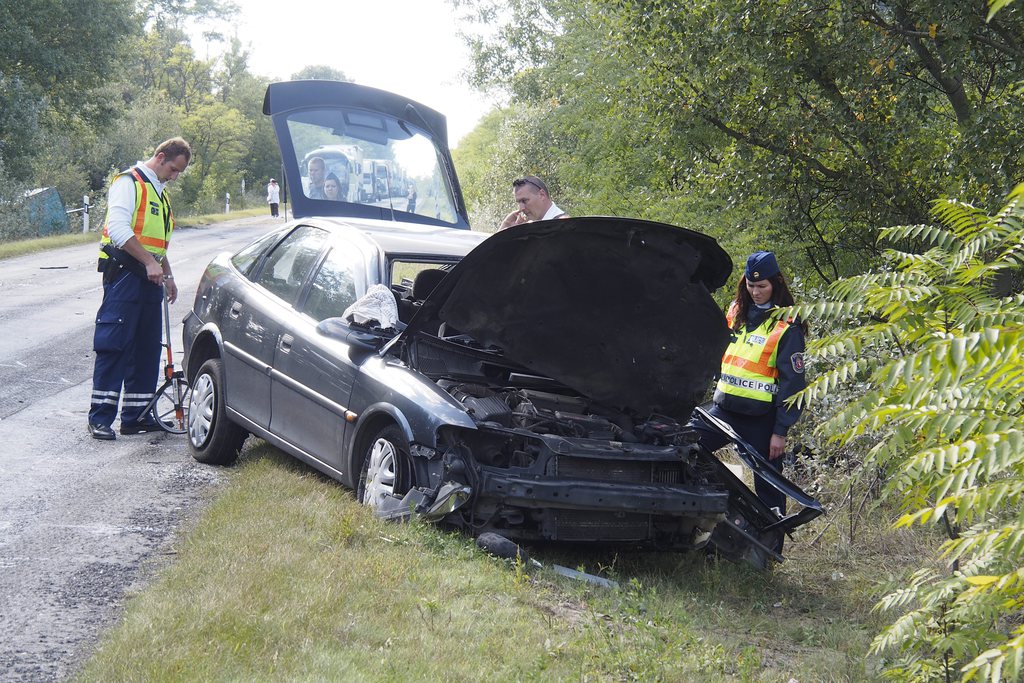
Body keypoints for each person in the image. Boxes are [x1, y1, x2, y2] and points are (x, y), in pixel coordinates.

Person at [689, 250, 807, 520]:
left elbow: (794, 384)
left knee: (769, 486)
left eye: (762, 286)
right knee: (687, 448)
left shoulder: (788, 325)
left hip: (761, 420)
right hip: (723, 409)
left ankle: (769, 550)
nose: (756, 292)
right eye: (751, 285)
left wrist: (780, 431)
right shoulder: (735, 312)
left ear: (775, 284)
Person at [88, 137, 192, 440]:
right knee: (115, 344)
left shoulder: (160, 193)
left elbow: (156, 242)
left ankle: (136, 416)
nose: (174, 177)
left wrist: (168, 274)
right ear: (160, 157)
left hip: (151, 279)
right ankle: (100, 418)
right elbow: (120, 231)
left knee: (147, 349)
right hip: (124, 275)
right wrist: (149, 263)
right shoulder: (128, 183)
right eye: (173, 169)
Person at [498, 175, 568, 230]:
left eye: (524, 201)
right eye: (518, 202)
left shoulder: (563, 226)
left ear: (541, 195)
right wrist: (506, 228)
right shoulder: (534, 226)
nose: (521, 208)